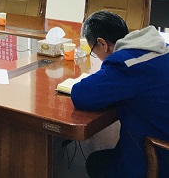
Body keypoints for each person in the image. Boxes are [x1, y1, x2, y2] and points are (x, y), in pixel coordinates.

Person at [71, 11, 169, 178]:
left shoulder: (125, 64)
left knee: (96, 163)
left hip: (158, 156)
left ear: (102, 44)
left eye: (93, 51)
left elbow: (81, 95)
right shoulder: (160, 48)